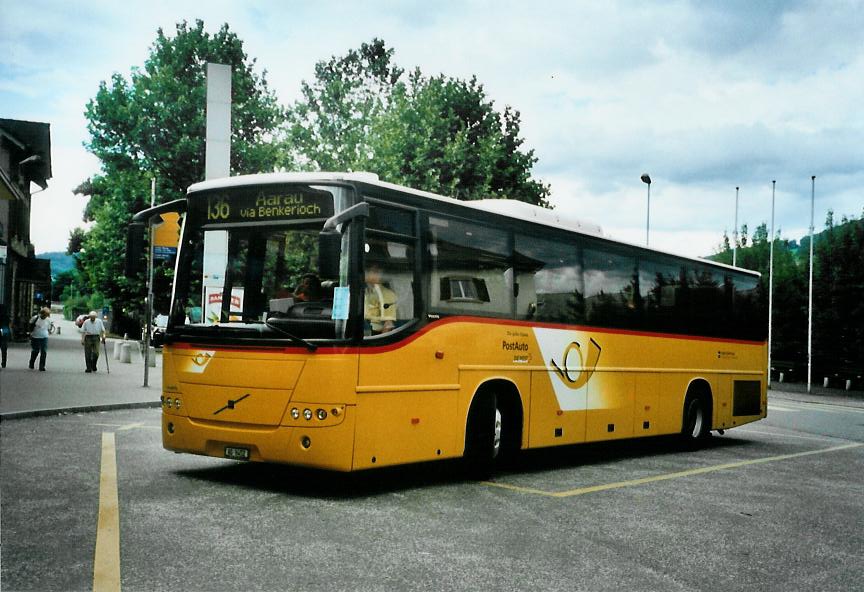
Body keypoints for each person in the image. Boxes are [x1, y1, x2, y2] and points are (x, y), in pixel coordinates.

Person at [364, 263, 398, 335]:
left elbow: (388, 325)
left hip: (375, 335)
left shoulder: (388, 294)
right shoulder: (364, 291)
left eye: (375, 272)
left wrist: (375, 344)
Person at [28, 307, 54, 371]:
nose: (45, 317)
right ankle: (31, 363)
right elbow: (30, 325)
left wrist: (48, 332)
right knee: (35, 351)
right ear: (41, 314)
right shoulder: (35, 318)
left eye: (46, 315)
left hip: (44, 337)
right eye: (44, 315)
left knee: (44, 351)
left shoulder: (48, 320)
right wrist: (30, 333)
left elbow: (49, 328)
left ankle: (42, 366)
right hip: (35, 337)